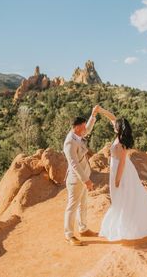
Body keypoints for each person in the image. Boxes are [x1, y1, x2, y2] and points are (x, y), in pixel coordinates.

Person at [97, 106, 147, 241]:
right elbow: (112, 118)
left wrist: (117, 180)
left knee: (124, 197)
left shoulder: (121, 143)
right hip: (118, 168)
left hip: (122, 171)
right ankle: (127, 222)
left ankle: (127, 226)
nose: (113, 125)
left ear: (118, 128)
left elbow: (122, 163)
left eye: (115, 125)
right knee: (125, 196)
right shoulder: (119, 136)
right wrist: (101, 110)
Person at [63, 105, 99, 246]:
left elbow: (89, 128)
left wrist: (93, 115)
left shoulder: (77, 135)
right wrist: (86, 180)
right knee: (72, 206)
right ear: (77, 127)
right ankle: (69, 235)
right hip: (75, 179)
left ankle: (83, 229)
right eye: (83, 126)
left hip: (83, 177)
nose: (85, 129)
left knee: (83, 205)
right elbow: (74, 164)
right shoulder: (70, 142)